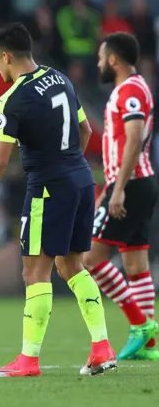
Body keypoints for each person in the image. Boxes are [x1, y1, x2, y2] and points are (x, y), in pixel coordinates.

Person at [0, 22, 116, 377]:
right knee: (72, 266)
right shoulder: (60, 78)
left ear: (7, 56)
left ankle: (28, 360)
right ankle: (102, 347)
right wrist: (69, 165)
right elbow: (86, 129)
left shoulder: (13, 98)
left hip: (48, 187)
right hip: (80, 179)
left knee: (35, 272)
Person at [83, 32, 158, 361]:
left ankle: (140, 325)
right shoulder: (134, 87)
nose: (99, 63)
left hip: (131, 184)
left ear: (113, 60)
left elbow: (133, 138)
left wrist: (119, 188)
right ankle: (150, 344)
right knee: (135, 265)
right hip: (139, 182)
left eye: (101, 57)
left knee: (91, 260)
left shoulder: (129, 90)